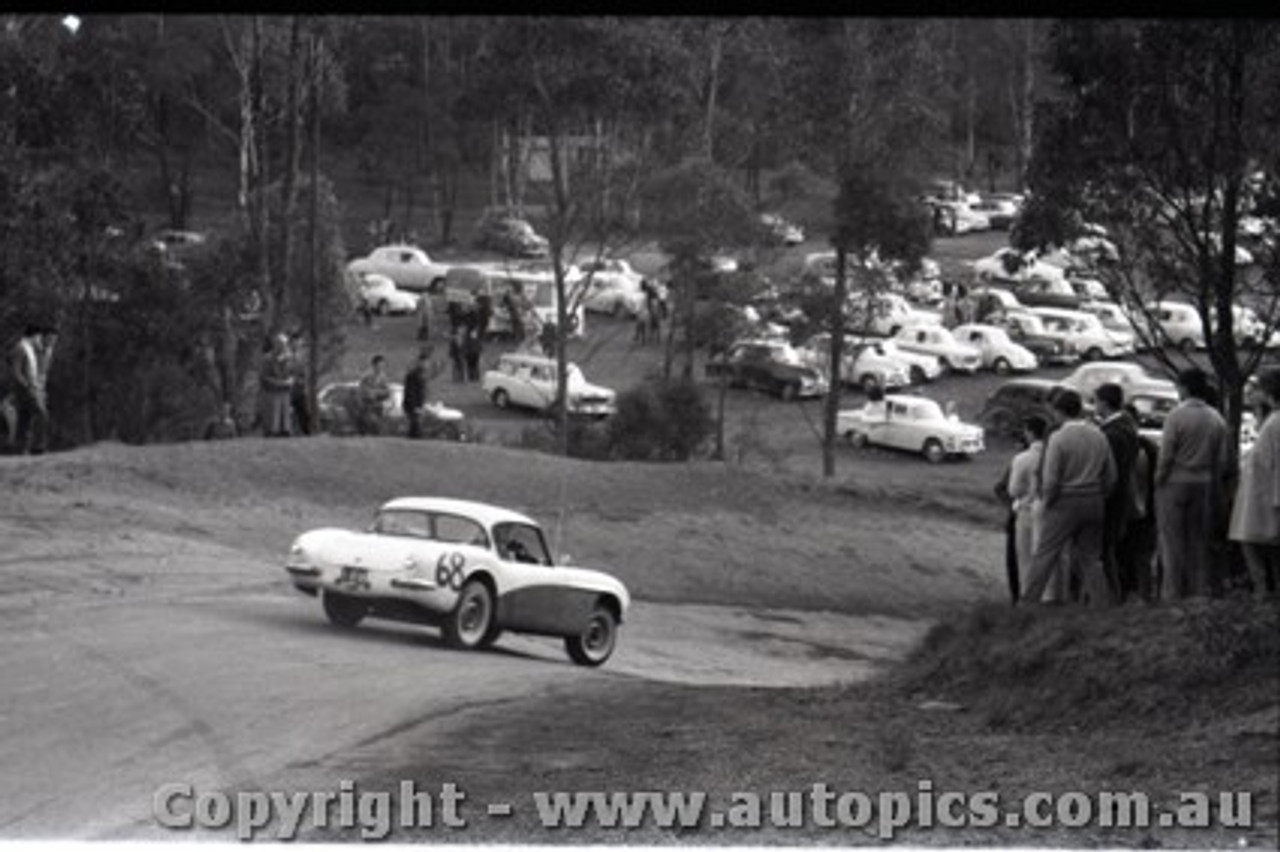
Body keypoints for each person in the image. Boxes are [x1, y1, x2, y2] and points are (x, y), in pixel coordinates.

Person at [1021, 389, 1117, 608]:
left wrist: (1047, 502)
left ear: (1058, 412)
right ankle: (1102, 605)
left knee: (1046, 553)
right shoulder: (1098, 435)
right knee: (1091, 558)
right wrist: (1099, 494)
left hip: (1065, 500)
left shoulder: (1058, 438)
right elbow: (1111, 476)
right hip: (1094, 500)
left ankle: (1029, 602)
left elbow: (1051, 479)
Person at [1156, 367, 1229, 599]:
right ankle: (1199, 591)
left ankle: (1173, 592)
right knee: (1198, 539)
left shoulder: (1176, 416)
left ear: (1185, 388)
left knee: (1172, 540)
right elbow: (1223, 458)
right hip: (1204, 482)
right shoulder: (1216, 417)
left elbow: (1166, 455)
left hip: (1176, 481)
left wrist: (1158, 480)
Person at [1228, 368, 1280, 599]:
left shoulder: (1275, 424)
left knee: (1256, 552)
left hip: (1265, 501)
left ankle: (1264, 599)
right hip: (1262, 500)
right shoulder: (1270, 422)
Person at [1095, 383, 1140, 602]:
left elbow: (1111, 470)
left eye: (1096, 401)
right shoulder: (1127, 426)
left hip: (1114, 497)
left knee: (1108, 548)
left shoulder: (1113, 433)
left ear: (1103, 402)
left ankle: (1113, 594)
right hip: (1123, 494)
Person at [1008, 415, 1050, 604]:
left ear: (1030, 433)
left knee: (1025, 558)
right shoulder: (1052, 455)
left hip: (1027, 509)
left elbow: (1014, 489)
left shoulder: (1022, 458)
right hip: (1050, 511)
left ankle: (1028, 597)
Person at [1122, 402, 1161, 602]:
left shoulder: (1142, 447)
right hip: (1145, 508)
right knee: (1141, 556)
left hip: (1136, 510)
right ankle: (1143, 595)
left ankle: (1141, 594)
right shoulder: (1149, 447)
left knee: (1139, 555)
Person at [7, 324, 48, 455]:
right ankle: (38, 447)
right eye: (39, 337)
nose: (40, 340)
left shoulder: (29, 349)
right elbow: (16, 372)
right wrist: (28, 387)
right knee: (42, 414)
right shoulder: (20, 348)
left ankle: (20, 450)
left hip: (29, 389)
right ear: (34, 335)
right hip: (25, 390)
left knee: (25, 419)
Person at [402, 347, 444, 439]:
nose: (426, 365)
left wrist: (427, 404)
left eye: (427, 363)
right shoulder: (412, 375)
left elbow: (425, 390)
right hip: (412, 406)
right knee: (416, 425)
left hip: (420, 405)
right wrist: (415, 407)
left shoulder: (423, 375)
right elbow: (410, 393)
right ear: (419, 362)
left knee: (424, 424)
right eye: (424, 362)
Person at [259, 333, 294, 437]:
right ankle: (272, 431)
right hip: (271, 391)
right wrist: (279, 383)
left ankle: (285, 430)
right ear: (276, 345)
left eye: (285, 344)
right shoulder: (267, 359)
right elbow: (264, 377)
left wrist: (290, 380)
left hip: (285, 391)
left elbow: (293, 373)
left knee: (285, 412)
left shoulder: (288, 359)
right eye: (281, 344)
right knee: (273, 415)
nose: (284, 347)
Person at [356, 354, 391, 436]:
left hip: (378, 405)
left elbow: (387, 391)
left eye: (383, 365)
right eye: (379, 365)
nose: (381, 367)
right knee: (370, 423)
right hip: (367, 405)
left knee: (378, 426)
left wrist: (376, 392)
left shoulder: (383, 377)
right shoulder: (367, 376)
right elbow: (363, 390)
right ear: (374, 365)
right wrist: (372, 393)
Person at [287, 332, 311, 436]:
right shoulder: (286, 356)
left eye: (298, 343)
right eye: (295, 342)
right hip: (287, 389)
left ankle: (306, 433)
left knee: (304, 414)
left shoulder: (301, 357)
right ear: (291, 343)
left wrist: (301, 381)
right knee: (287, 413)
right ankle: (287, 432)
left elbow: (304, 373)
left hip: (299, 390)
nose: (297, 345)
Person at [462, 319, 484, 383]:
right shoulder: (468, 340)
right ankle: (471, 377)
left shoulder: (476, 339)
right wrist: (465, 353)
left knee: (475, 366)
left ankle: (476, 377)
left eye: (475, 332)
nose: (474, 333)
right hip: (470, 355)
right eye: (473, 332)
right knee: (470, 366)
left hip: (475, 354)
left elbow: (479, 346)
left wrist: (480, 351)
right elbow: (465, 347)